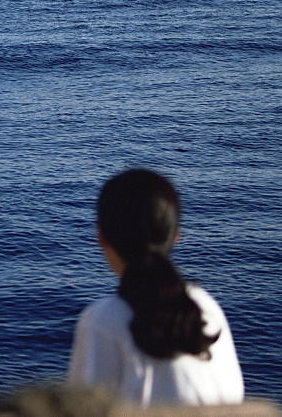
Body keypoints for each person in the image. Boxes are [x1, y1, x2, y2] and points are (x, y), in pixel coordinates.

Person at [67, 169, 243, 407]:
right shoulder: (207, 309)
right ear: (176, 236)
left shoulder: (102, 320)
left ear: (101, 236)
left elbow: (82, 410)